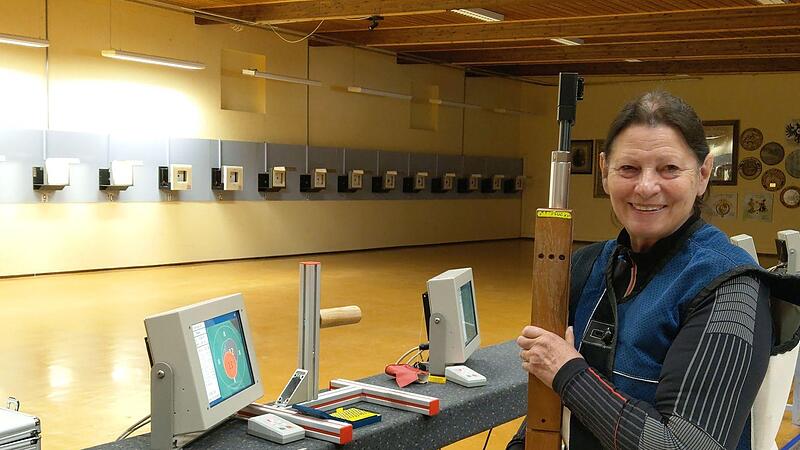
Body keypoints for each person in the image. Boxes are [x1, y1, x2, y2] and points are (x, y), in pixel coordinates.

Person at [509, 91, 799, 450]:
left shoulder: (732, 289)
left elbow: (689, 445)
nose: (646, 187)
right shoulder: (587, 267)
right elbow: (545, 399)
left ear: (704, 173)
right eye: (629, 169)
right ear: (604, 172)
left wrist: (569, 373)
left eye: (669, 169)